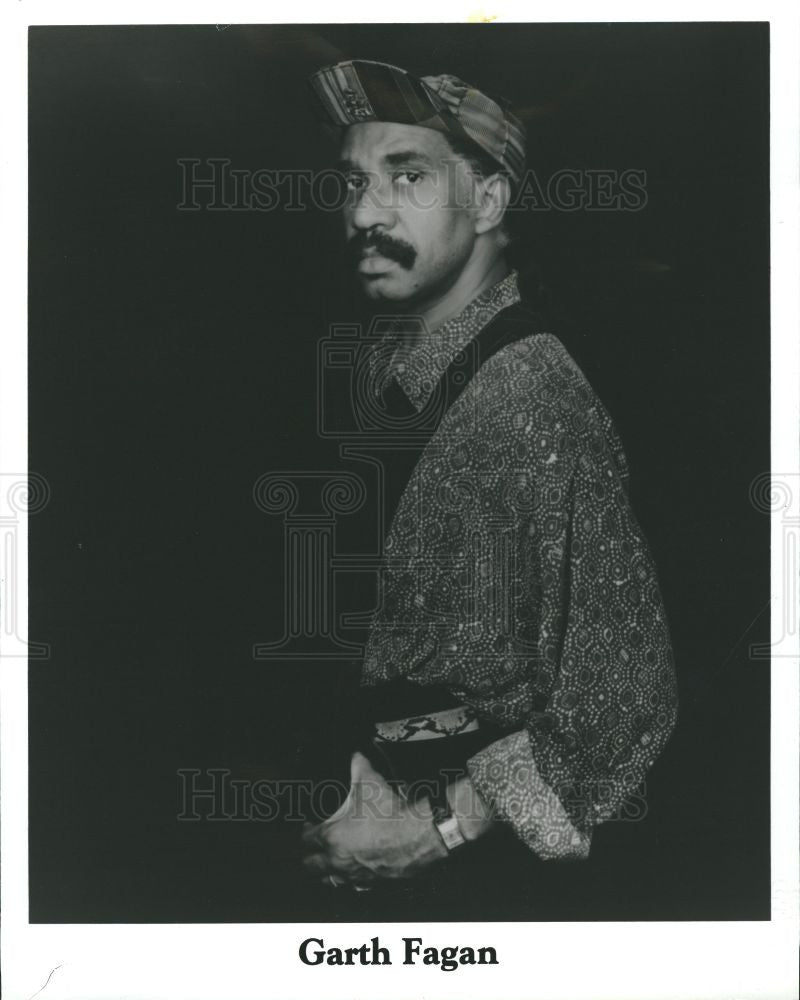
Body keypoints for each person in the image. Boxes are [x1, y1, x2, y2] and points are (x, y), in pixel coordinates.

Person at [300, 59, 678, 901]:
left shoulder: (529, 394)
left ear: (492, 203)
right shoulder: (396, 367)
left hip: (478, 875)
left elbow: (623, 699)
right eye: (354, 182)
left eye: (409, 176)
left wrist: (438, 831)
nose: (364, 212)